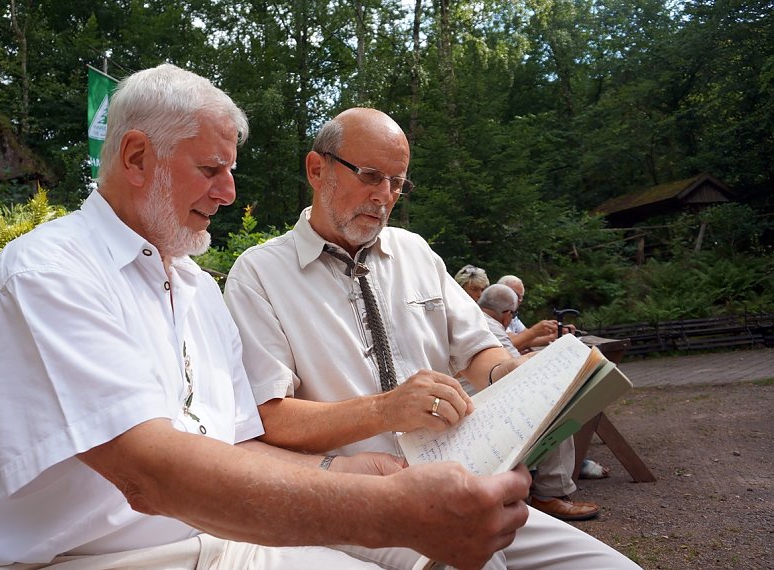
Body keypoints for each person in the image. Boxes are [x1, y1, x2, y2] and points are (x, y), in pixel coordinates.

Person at [0, 65, 534, 570]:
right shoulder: (48, 275)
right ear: (137, 157)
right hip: (90, 559)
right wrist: (389, 510)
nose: (228, 192)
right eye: (210, 169)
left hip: (222, 546)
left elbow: (239, 446)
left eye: (230, 170)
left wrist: (350, 472)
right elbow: (150, 476)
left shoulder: (197, 288)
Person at [224, 107, 639, 569]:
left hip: (462, 479)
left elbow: (478, 351)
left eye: (398, 183)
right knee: (483, 562)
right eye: (370, 176)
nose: (384, 196)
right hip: (357, 495)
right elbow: (267, 417)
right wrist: (384, 410)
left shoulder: (415, 251)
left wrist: (513, 373)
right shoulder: (259, 274)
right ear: (317, 170)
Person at [477, 285, 601, 521]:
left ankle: (548, 484)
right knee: (556, 409)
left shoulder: (477, 321)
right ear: (508, 314)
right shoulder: (487, 327)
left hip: (479, 399)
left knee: (550, 400)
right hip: (486, 405)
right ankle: (551, 493)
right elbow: (515, 372)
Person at [496, 274, 568, 353]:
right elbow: (511, 343)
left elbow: (525, 337)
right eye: (515, 295)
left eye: (521, 297)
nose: (518, 301)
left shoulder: (512, 314)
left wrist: (557, 331)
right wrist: (537, 332)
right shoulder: (495, 315)